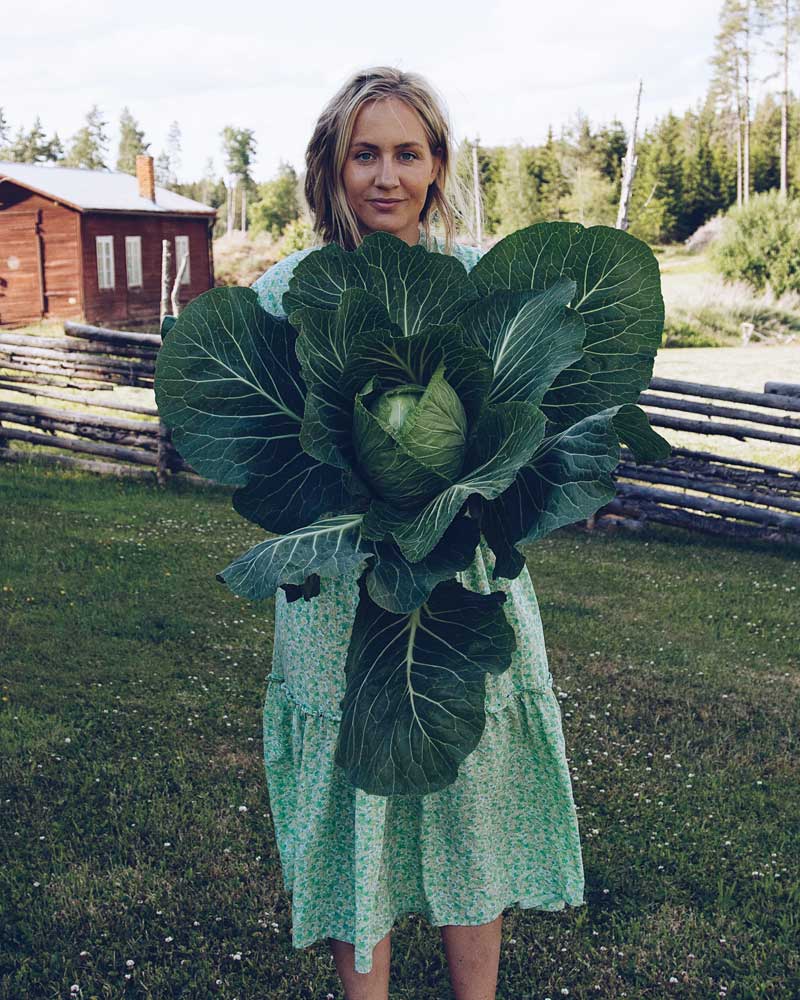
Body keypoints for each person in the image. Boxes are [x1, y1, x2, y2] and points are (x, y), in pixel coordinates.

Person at [251, 66, 586, 1000]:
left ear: (438, 165)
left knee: (471, 802)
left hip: (461, 583)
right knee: (355, 802)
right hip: (337, 589)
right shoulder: (284, 293)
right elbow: (252, 448)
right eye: (365, 154)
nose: (385, 175)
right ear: (331, 167)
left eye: (408, 152)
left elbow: (543, 423)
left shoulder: (479, 282)